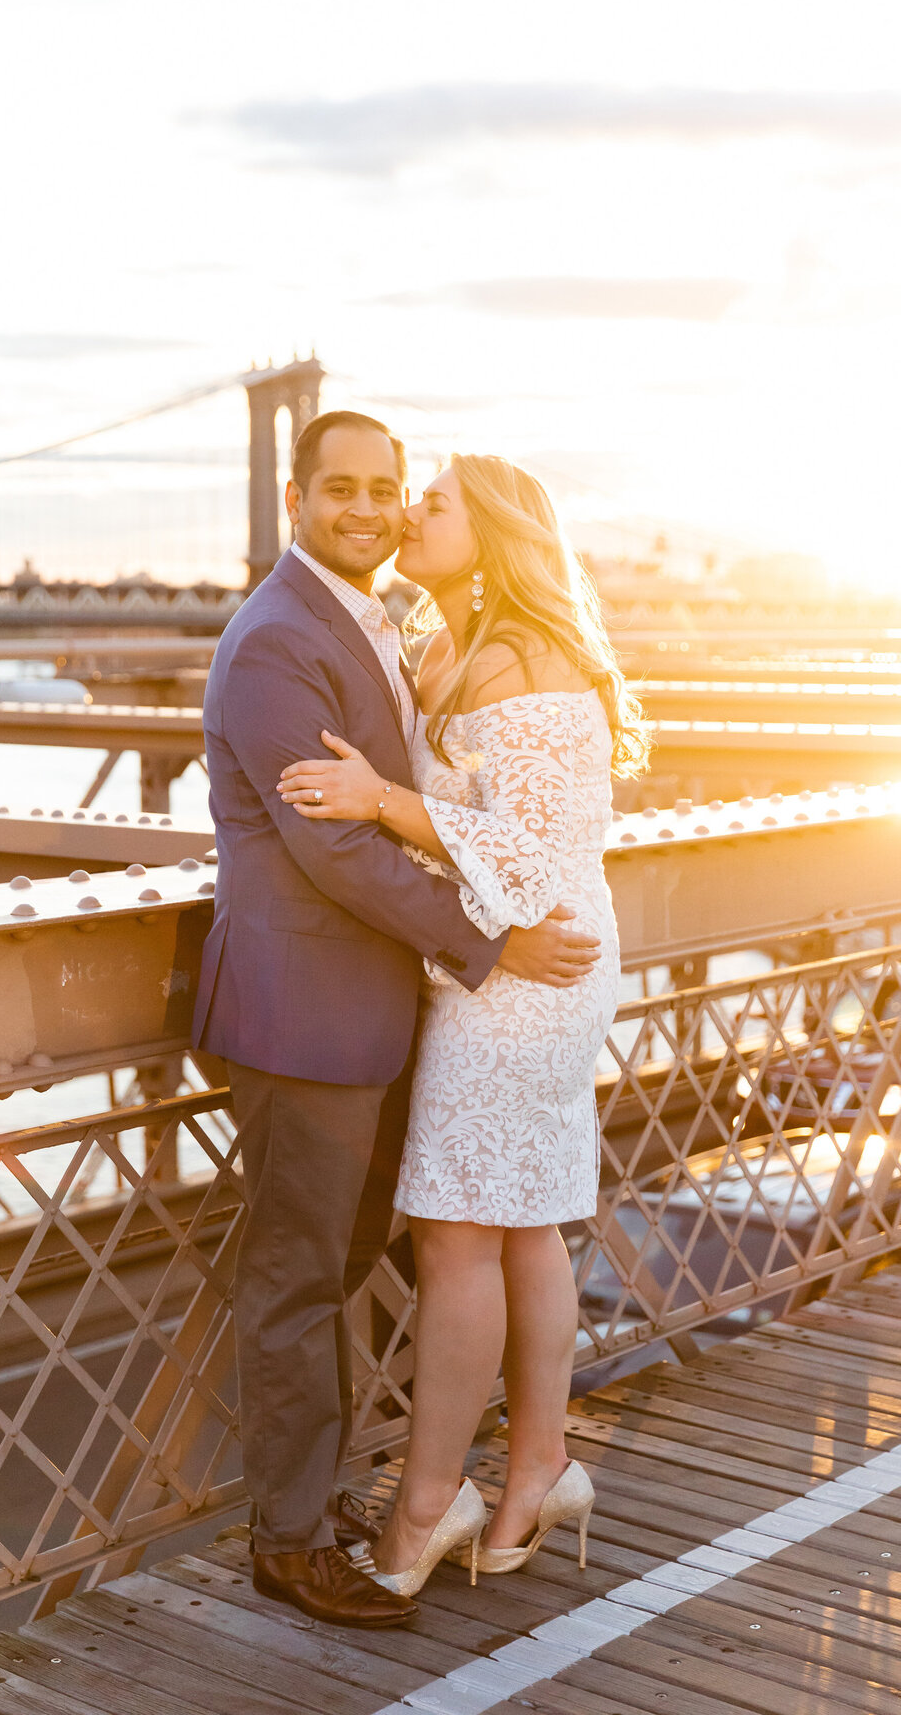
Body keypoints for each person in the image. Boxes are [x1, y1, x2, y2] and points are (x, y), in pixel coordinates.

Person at [193, 412, 603, 1629]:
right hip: (307, 1015)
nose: (373, 510)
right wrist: (491, 941)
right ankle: (293, 1541)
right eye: (346, 491)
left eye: (394, 491)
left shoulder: (388, 618)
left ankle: (426, 1490)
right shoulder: (276, 640)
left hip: (387, 1010)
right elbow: (331, 851)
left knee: (386, 1258)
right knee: (301, 1281)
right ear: (296, 498)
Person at [279, 452, 650, 1594]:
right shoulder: (440, 641)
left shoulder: (525, 659)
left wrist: (381, 801)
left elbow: (537, 847)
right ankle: (541, 1463)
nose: (402, 515)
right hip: (500, 957)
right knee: (523, 1224)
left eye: (428, 502)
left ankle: (426, 1507)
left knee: (452, 1234)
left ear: (488, 531)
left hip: (531, 964)